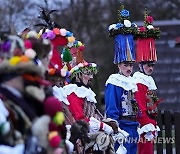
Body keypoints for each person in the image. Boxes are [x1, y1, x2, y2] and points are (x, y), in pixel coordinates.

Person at [105, 5, 140, 154]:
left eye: (131, 65)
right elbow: (112, 108)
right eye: (126, 65)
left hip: (134, 126)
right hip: (122, 128)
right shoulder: (114, 81)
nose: (129, 68)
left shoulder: (132, 81)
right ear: (119, 65)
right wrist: (116, 129)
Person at [133, 8, 162, 154]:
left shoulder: (148, 80)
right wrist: (147, 122)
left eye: (152, 65)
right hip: (143, 125)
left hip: (150, 123)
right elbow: (139, 107)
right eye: (147, 65)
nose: (151, 68)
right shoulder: (138, 80)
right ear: (140, 65)